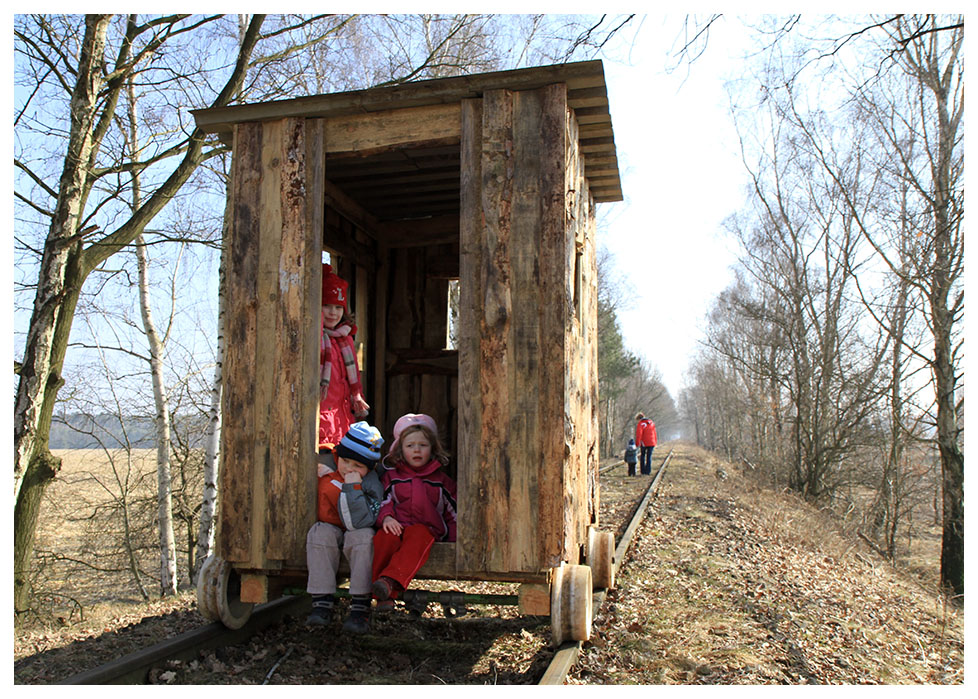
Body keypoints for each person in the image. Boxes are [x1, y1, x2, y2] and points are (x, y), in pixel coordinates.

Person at [371, 414, 457, 611]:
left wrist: (455, 541)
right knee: (385, 539)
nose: (416, 450)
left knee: (418, 534)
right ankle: (383, 595)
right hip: (397, 526)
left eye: (423, 445)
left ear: (433, 449)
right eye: (410, 446)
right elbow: (382, 500)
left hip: (426, 532)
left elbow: (454, 512)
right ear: (401, 450)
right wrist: (387, 517)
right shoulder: (392, 477)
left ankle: (388, 584)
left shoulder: (441, 480)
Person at [305, 421, 385, 633]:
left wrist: (352, 487)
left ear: (369, 468)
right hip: (330, 525)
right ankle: (321, 601)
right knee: (319, 534)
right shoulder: (329, 468)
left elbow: (360, 521)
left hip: (357, 527)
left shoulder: (371, 483)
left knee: (363, 539)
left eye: (357, 466)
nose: (349, 468)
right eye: (345, 460)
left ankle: (360, 604)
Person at [319, 263, 370, 450]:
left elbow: (354, 382)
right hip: (321, 421)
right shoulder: (316, 337)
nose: (333, 312)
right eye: (326, 305)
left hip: (343, 420)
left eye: (338, 307)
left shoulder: (345, 339)